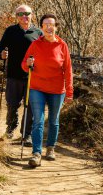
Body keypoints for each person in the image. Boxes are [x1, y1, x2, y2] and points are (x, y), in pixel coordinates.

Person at [21, 13, 73, 167]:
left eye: (52, 24)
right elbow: (24, 65)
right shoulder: (35, 45)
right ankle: (36, 153)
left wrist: (69, 92)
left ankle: (50, 148)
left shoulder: (62, 46)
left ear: (56, 27)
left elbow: (68, 71)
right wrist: (28, 63)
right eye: (46, 25)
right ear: (42, 28)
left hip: (57, 90)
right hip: (37, 87)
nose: (49, 27)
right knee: (38, 120)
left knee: (53, 120)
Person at [0, 4, 43, 145]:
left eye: (27, 13)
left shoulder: (38, 33)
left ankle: (26, 134)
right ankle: (10, 129)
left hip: (32, 76)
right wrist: (1, 54)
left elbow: (44, 53)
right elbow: (0, 47)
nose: (24, 17)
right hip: (13, 75)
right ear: (16, 17)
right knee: (12, 104)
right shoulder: (11, 31)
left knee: (30, 106)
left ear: (32, 15)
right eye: (21, 14)